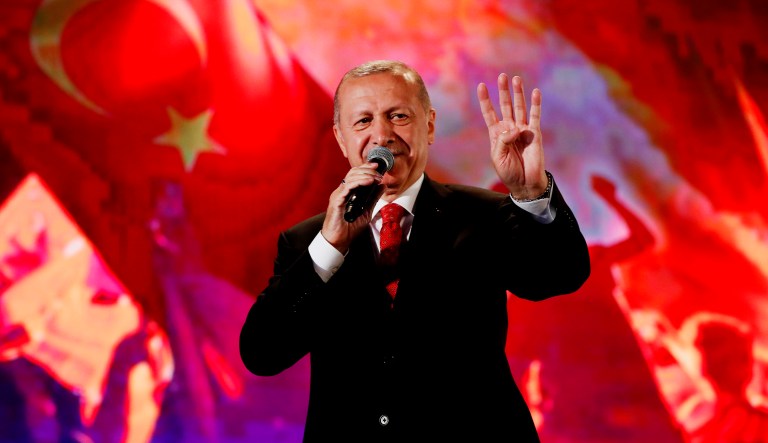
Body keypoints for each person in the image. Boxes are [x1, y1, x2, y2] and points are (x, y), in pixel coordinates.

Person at [239, 60, 590, 442]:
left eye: (398, 116)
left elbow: (561, 274)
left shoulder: (485, 215)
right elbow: (263, 353)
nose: (382, 135)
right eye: (363, 122)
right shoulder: (308, 241)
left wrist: (530, 193)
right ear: (341, 139)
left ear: (430, 125)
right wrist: (329, 248)